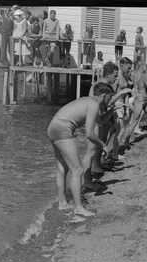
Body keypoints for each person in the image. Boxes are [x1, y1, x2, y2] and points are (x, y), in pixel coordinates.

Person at [47, 82, 113, 217]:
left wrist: (112, 111)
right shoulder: (94, 104)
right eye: (109, 98)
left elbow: (100, 122)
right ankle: (78, 208)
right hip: (64, 129)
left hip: (52, 127)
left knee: (62, 169)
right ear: (104, 95)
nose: (110, 101)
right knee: (77, 170)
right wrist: (103, 145)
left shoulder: (86, 100)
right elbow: (89, 133)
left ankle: (62, 203)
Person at [85, 62, 129, 186]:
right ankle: (92, 172)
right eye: (114, 76)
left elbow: (107, 104)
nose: (116, 79)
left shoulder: (105, 85)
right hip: (97, 119)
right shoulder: (99, 86)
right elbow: (106, 104)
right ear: (108, 74)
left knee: (102, 141)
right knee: (95, 147)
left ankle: (97, 165)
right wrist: (120, 94)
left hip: (101, 118)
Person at [109, 56, 134, 160]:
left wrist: (127, 107)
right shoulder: (117, 78)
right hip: (118, 104)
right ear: (122, 65)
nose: (129, 70)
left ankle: (112, 151)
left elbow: (126, 93)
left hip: (123, 104)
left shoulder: (124, 76)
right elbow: (112, 93)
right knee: (119, 130)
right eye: (128, 68)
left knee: (118, 130)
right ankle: (114, 153)